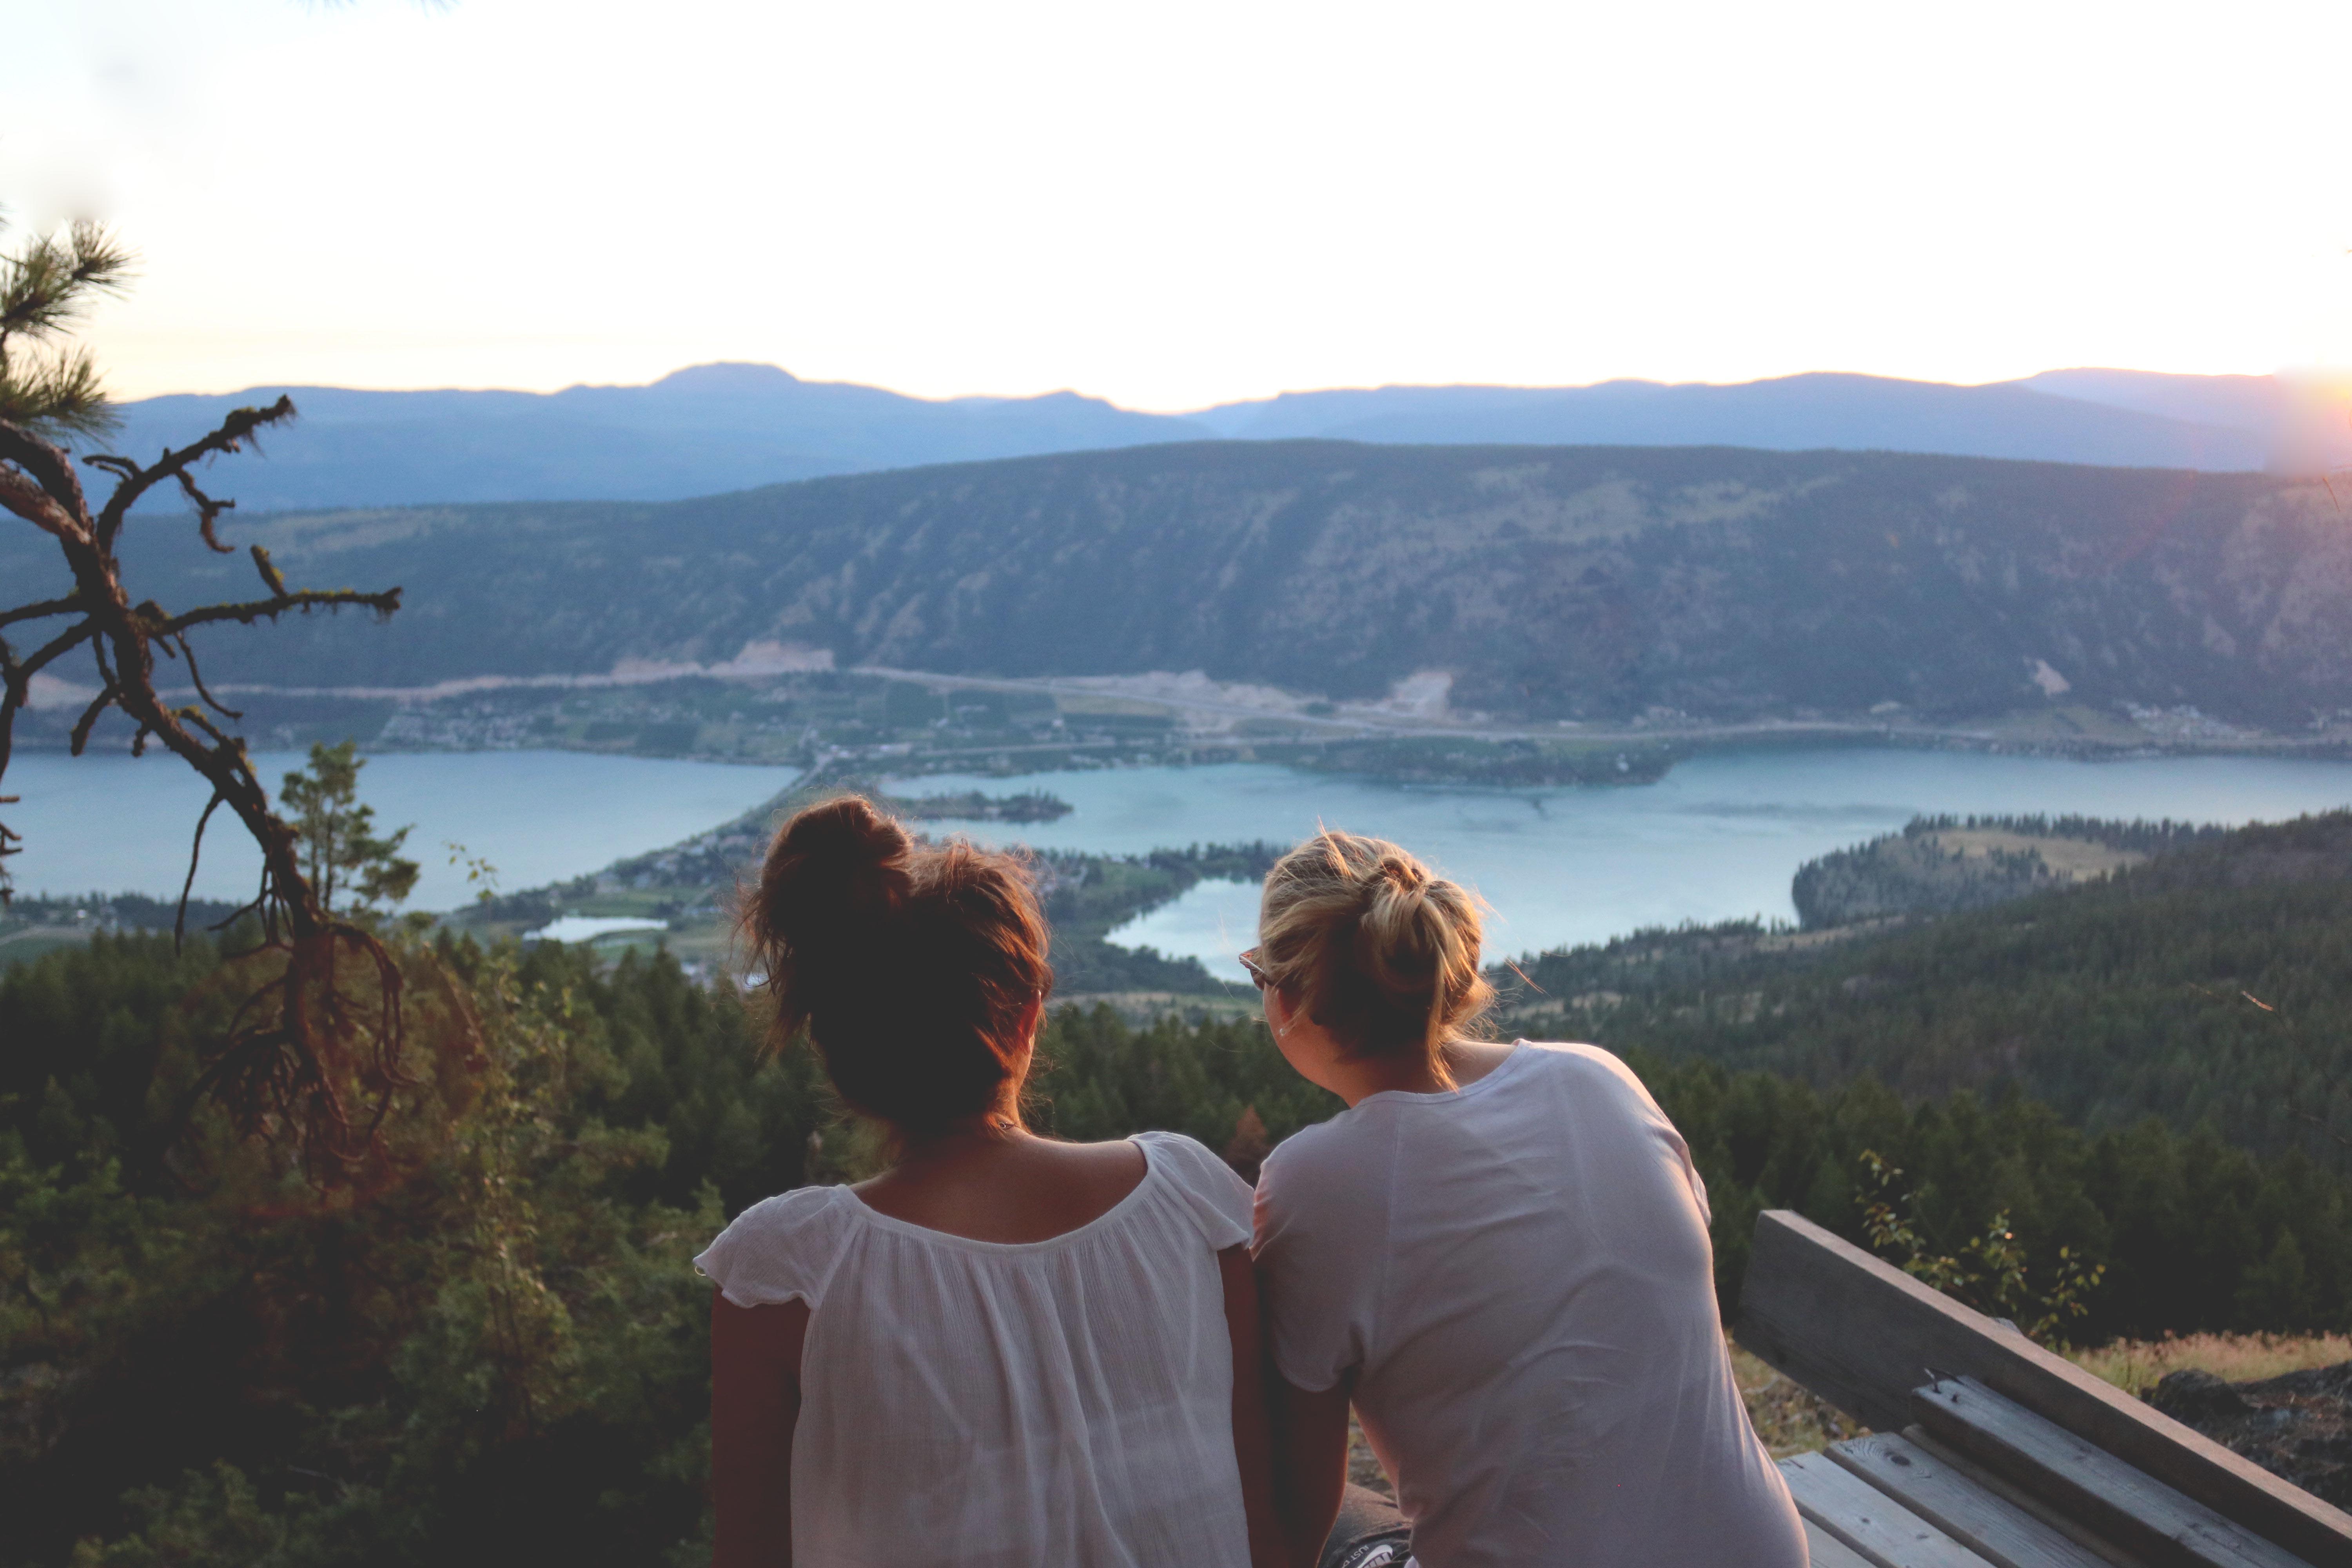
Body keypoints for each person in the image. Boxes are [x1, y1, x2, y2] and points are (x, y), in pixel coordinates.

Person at [698, 796, 1281, 1568]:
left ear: (827, 1034)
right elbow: (1268, 1513)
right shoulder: (1193, 1197)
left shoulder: (787, 1272)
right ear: (1028, 1013)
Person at [1244, 830, 1806, 1568]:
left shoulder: (1314, 1183)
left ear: (1288, 997)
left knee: (1353, 1525)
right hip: (1761, 1554)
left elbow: (1294, 1520)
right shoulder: (1601, 1079)